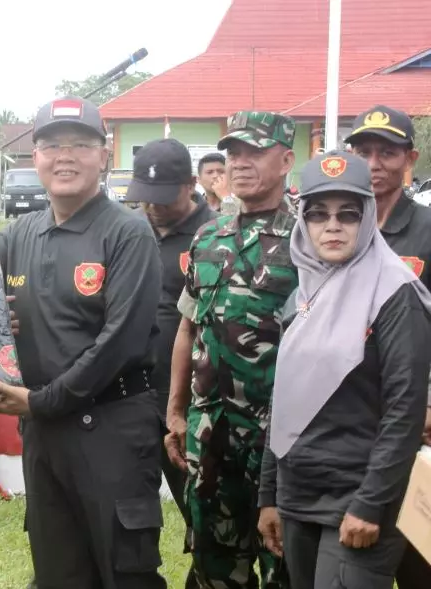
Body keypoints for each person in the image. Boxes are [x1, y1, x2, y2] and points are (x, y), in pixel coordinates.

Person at [0, 96, 166, 588]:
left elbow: (121, 342)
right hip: (45, 433)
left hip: (112, 429)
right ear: (35, 157)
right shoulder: (23, 232)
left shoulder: (127, 234)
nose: (65, 156)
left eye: (80, 144)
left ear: (104, 154)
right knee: (57, 571)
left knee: (124, 572)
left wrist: (45, 401)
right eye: (51, 145)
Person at [257, 150, 431, 588]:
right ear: (304, 221)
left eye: (348, 213)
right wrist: (269, 496)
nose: (332, 225)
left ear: (368, 217)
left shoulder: (394, 294)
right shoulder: (301, 298)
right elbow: (284, 404)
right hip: (299, 495)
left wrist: (371, 503)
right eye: (318, 214)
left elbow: (404, 410)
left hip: (361, 496)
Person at [165, 110, 297, 589]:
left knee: (285, 565)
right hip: (211, 431)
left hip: (278, 439)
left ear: (285, 159)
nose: (240, 162)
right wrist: (176, 411)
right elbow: (187, 329)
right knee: (214, 564)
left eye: (254, 152)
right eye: (233, 153)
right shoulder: (208, 235)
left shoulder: (309, 237)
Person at [344, 105, 431, 588]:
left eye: (387, 152)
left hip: (416, 425)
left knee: (419, 561)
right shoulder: (335, 228)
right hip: (351, 425)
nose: (374, 162)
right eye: (363, 151)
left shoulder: (427, 231)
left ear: (410, 158)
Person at [127, 138, 218, 589]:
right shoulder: (128, 230)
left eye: (164, 198)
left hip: (190, 403)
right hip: (129, 396)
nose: (154, 208)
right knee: (128, 511)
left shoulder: (216, 234)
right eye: (146, 197)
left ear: (191, 184)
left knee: (201, 509)